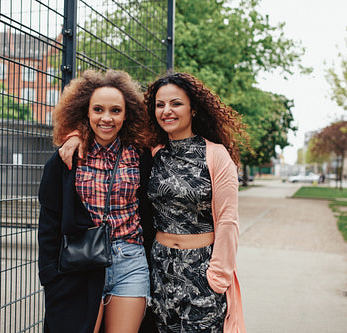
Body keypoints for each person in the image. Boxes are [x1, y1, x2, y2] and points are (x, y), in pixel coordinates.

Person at [60, 72, 247, 332]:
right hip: (160, 268)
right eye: (160, 105)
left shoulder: (216, 155)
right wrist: (75, 135)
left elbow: (228, 220)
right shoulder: (152, 151)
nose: (166, 111)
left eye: (176, 104)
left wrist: (218, 276)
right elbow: (107, 130)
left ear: (193, 109)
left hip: (202, 270)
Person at [38, 69, 155, 333]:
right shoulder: (66, 158)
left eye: (115, 110)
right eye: (98, 109)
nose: (106, 118)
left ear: (127, 114)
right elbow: (49, 220)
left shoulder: (140, 155)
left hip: (130, 262)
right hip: (79, 264)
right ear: (86, 112)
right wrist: (49, 276)